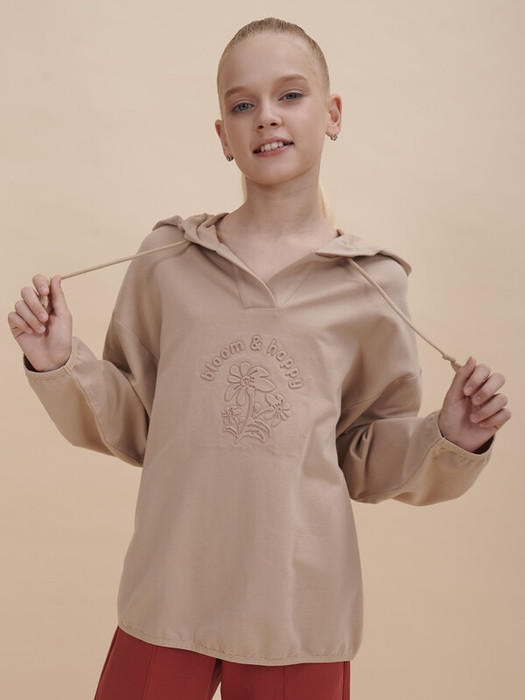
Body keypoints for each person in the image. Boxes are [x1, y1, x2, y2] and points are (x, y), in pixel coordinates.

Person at [8, 17, 510, 700]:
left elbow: (363, 454)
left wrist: (450, 436)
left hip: (298, 605)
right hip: (171, 587)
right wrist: (60, 361)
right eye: (243, 104)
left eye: (290, 95)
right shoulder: (167, 260)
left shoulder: (372, 282)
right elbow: (139, 421)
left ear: (332, 114)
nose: (266, 116)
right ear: (223, 135)